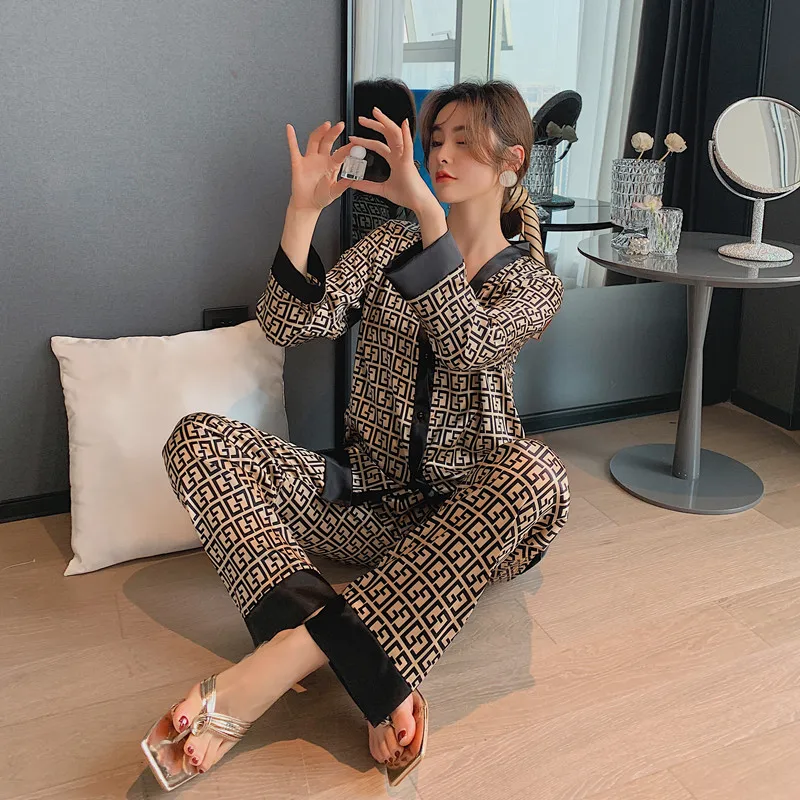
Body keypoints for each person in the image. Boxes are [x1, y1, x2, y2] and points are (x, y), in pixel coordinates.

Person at [142, 80, 570, 792]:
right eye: (436, 140)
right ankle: (363, 667)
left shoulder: (532, 282)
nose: (441, 154)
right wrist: (302, 212)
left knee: (539, 471)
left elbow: (467, 344)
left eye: (465, 141)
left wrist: (428, 214)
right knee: (198, 441)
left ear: (511, 161)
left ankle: (277, 665)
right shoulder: (387, 247)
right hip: (368, 500)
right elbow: (288, 324)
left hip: (475, 516)